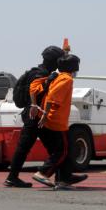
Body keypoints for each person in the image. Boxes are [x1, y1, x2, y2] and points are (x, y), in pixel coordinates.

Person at [4, 46, 65, 188]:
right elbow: (36, 93)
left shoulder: (37, 71)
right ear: (53, 60)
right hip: (36, 115)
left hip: (33, 115)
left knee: (27, 147)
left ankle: (13, 177)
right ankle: (57, 177)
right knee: (57, 148)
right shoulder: (41, 74)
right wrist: (48, 81)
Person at [31, 54, 87, 188]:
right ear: (74, 67)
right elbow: (52, 96)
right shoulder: (67, 79)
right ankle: (43, 173)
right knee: (62, 151)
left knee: (63, 149)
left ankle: (64, 178)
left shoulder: (56, 76)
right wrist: (45, 114)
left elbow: (33, 87)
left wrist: (37, 107)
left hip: (53, 119)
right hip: (56, 121)